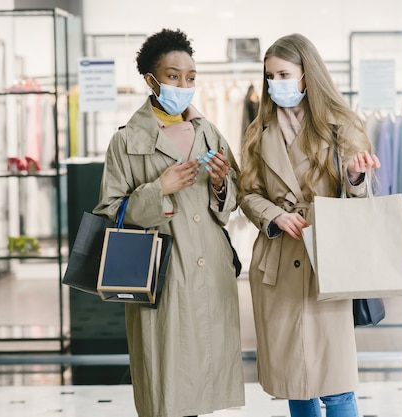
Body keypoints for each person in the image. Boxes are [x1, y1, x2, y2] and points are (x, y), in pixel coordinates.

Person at [93, 28, 244, 417]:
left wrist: (221, 183)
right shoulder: (126, 141)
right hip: (162, 276)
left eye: (190, 77)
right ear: (151, 79)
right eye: (173, 75)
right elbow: (111, 211)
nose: (183, 84)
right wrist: (157, 189)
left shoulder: (209, 131)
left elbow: (233, 198)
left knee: (203, 384)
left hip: (209, 273)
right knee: (168, 390)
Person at [237, 33, 381, 417]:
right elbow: (247, 193)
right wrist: (274, 215)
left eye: (284, 74)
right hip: (278, 265)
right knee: (295, 384)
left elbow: (359, 203)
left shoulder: (341, 126)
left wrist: (354, 177)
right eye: (270, 76)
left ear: (307, 74)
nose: (275, 84)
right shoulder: (258, 132)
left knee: (336, 387)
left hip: (326, 264)